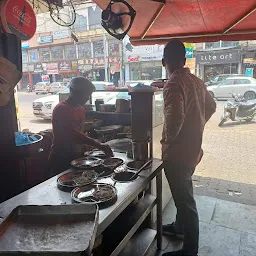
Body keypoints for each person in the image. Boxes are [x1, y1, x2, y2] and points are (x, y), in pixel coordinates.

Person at [161, 40, 216, 256]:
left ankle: (190, 250)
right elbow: (211, 106)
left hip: (177, 154)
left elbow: (174, 121)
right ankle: (179, 227)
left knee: (186, 202)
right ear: (184, 60)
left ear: (164, 61)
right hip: (193, 149)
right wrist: (197, 123)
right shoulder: (196, 81)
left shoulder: (173, 84)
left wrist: (169, 141)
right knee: (182, 194)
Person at [49, 76, 113, 176]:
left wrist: (87, 147)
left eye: (89, 94)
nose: (87, 98)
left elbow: (80, 133)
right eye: (84, 94)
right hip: (61, 157)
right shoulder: (61, 108)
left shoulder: (80, 109)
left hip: (77, 157)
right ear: (72, 91)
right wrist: (97, 144)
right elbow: (71, 134)